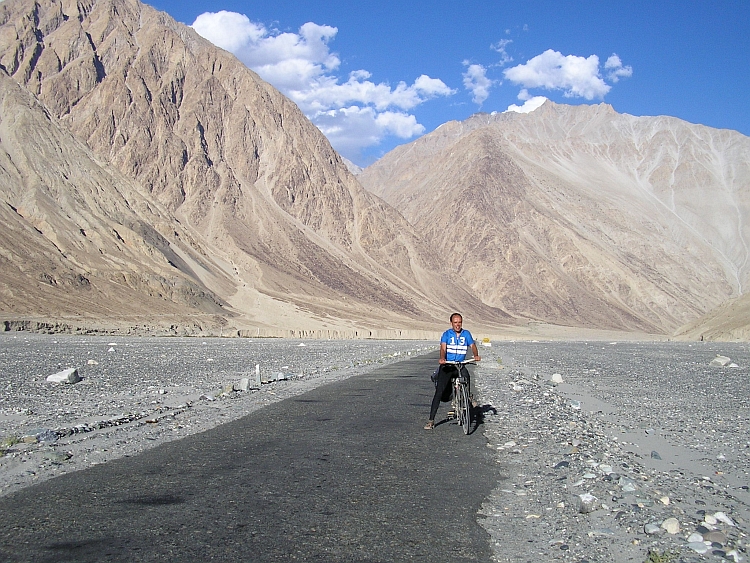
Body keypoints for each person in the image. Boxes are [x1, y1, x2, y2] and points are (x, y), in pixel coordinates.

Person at [424, 313, 480, 430]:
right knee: (439, 392)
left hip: (459, 365)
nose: (458, 325)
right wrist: (442, 358)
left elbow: (472, 345)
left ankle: (467, 396)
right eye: (455, 322)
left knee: (466, 376)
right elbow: (443, 348)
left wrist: (476, 355)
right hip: (448, 366)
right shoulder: (446, 334)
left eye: (459, 322)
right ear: (451, 323)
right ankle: (431, 420)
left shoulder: (466, 334)